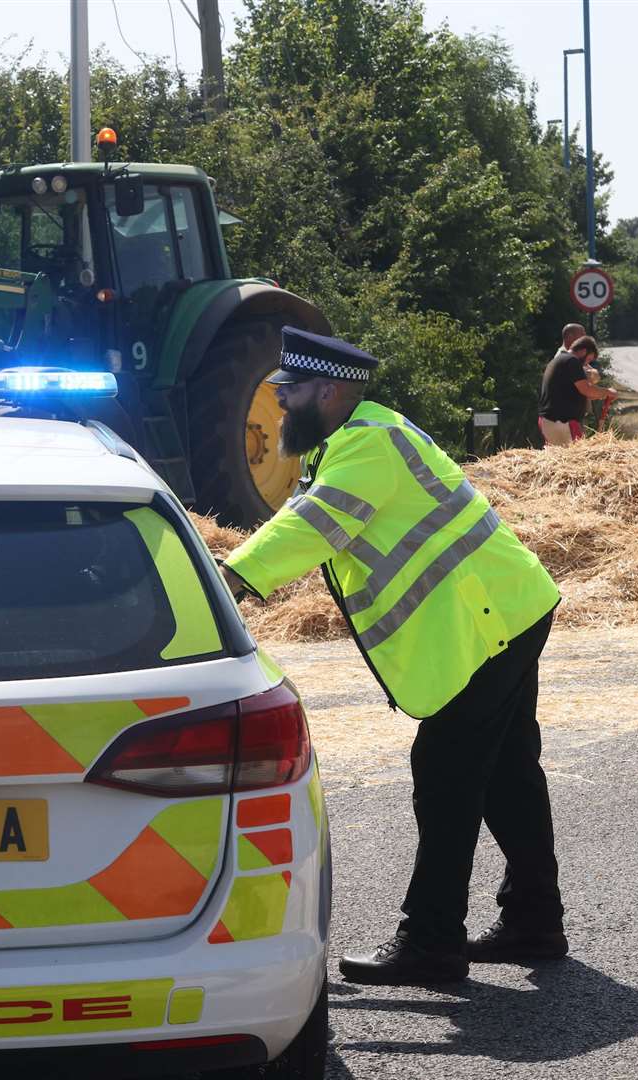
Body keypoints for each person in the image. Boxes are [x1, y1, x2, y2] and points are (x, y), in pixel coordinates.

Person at [220, 326, 567, 987]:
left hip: (487, 621)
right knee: (507, 774)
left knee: (446, 773)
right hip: (508, 608)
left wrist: (233, 577)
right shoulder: (362, 438)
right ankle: (533, 920)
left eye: (288, 393)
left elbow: (315, 524)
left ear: (326, 391)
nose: (280, 404)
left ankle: (432, 940)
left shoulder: (368, 445)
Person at [538, 326, 616, 446]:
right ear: (584, 351)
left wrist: (599, 394)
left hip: (549, 421)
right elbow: (587, 390)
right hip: (563, 422)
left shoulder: (559, 360)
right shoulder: (572, 361)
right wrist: (608, 392)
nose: (587, 364)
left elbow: (575, 391)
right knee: (575, 460)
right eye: (588, 359)